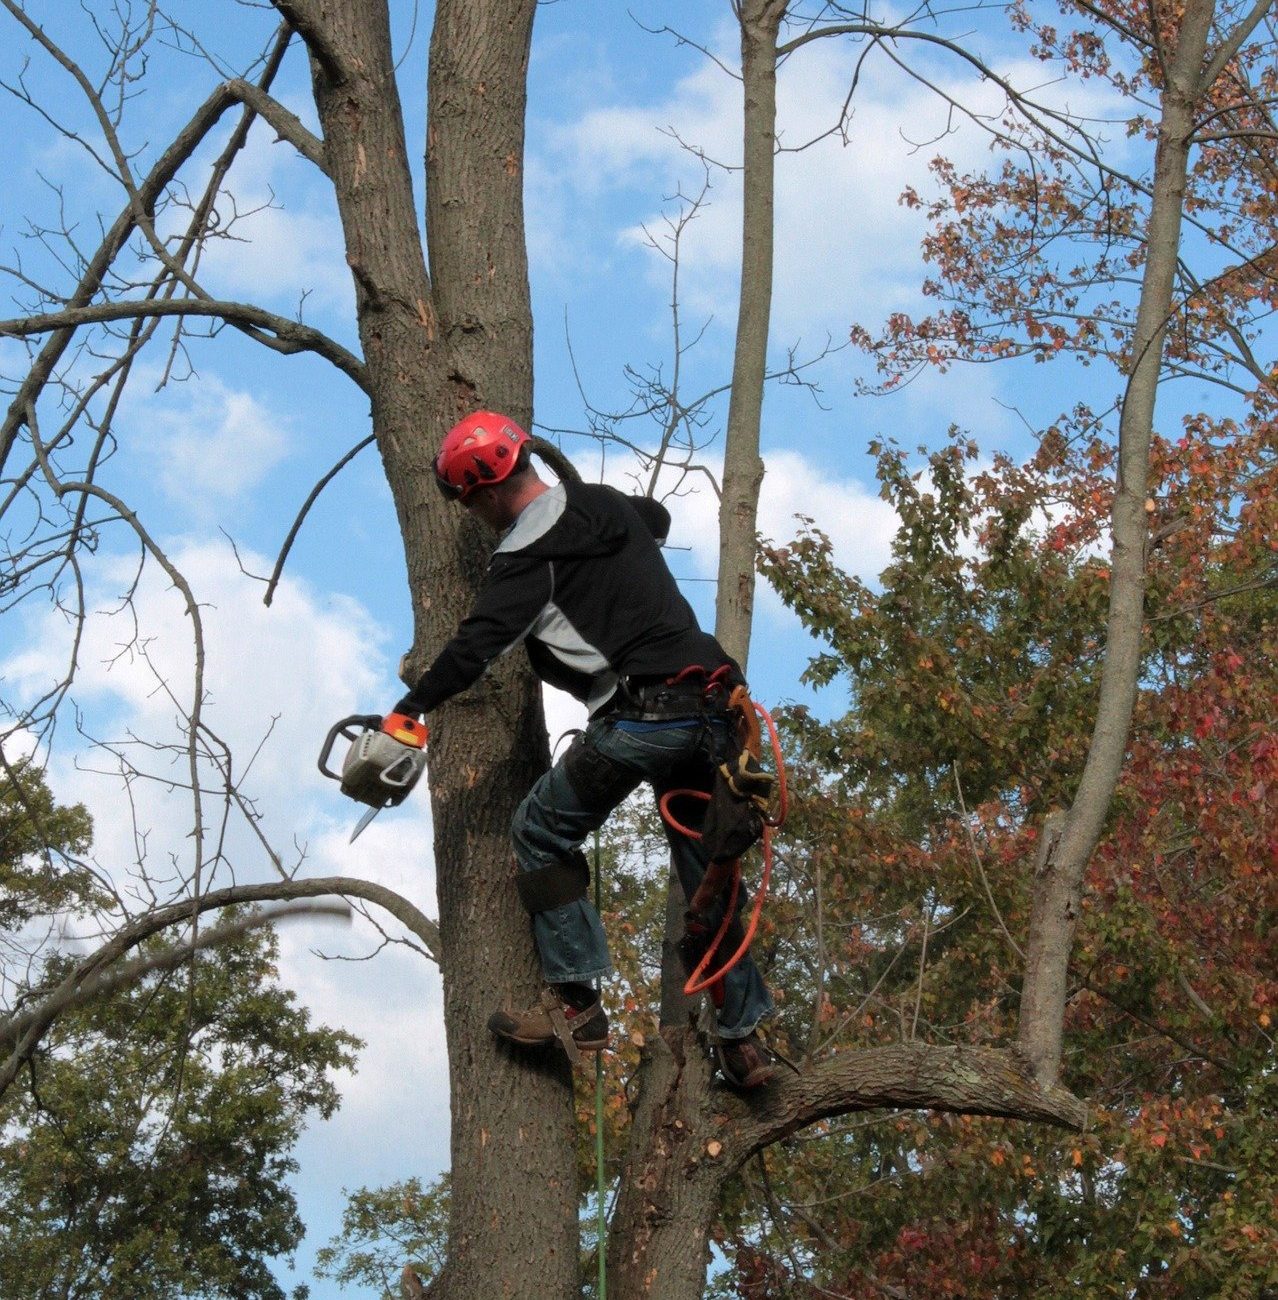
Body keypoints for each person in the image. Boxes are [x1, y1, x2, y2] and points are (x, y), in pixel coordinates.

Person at [393, 411, 776, 1088]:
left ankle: (576, 1007)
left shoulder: (524, 562)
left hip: (644, 719)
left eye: (470, 503)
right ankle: (744, 1046)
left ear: (482, 494)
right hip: (719, 712)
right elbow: (652, 518)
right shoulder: (603, 505)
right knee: (704, 875)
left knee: (538, 831)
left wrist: (409, 710)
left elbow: (473, 649)